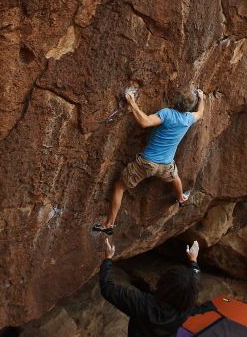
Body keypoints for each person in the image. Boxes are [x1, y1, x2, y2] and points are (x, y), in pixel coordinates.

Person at [93, 88, 205, 235]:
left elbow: (145, 122)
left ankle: (109, 223)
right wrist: (201, 98)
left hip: (146, 164)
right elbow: (200, 113)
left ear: (175, 101)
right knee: (175, 177)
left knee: (119, 186)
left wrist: (131, 101)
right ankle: (181, 198)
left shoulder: (167, 114)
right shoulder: (188, 118)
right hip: (166, 165)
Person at [100, 237, 201, 337]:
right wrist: (193, 260)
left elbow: (107, 288)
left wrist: (108, 259)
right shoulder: (186, 306)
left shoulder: (141, 304)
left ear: (162, 283)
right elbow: (195, 276)